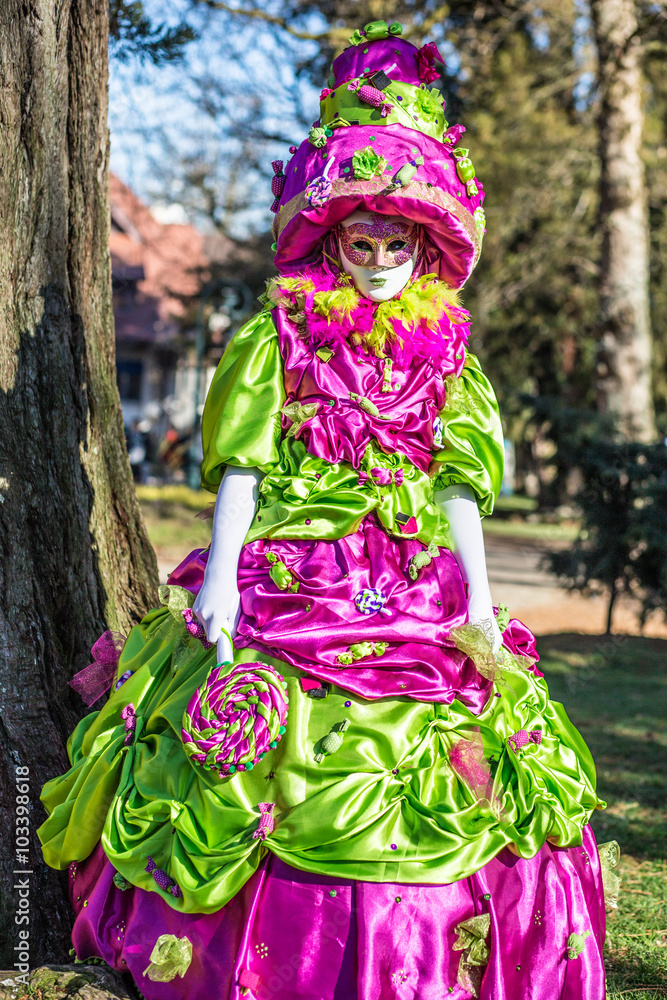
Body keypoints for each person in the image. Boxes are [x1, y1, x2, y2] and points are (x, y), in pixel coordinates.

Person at [39, 22, 618, 1000]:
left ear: (425, 241)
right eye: (363, 239)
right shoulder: (281, 336)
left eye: (399, 241)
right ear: (334, 235)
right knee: (237, 735)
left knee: (456, 743)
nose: (381, 257)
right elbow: (243, 461)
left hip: (415, 574)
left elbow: (458, 485)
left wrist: (478, 599)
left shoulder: (446, 357)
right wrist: (220, 573)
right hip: (291, 568)